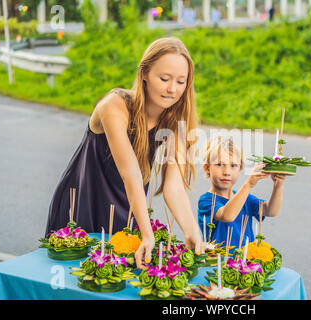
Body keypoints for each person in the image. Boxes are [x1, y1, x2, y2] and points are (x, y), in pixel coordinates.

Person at [45, 37, 204, 269]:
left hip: (129, 208)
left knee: (116, 283)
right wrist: (148, 234)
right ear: (144, 74)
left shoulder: (174, 122)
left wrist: (192, 231)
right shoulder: (115, 105)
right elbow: (130, 174)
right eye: (164, 79)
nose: (172, 89)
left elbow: (174, 187)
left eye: (181, 82)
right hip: (83, 201)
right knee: (74, 280)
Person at [198, 136, 287, 252]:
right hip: (217, 264)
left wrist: (278, 185)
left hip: (245, 264)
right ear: (207, 168)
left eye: (233, 165)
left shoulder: (245, 198)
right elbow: (227, 215)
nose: (227, 172)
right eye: (219, 164)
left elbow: (270, 211)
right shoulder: (206, 200)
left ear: (240, 169)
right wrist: (248, 184)